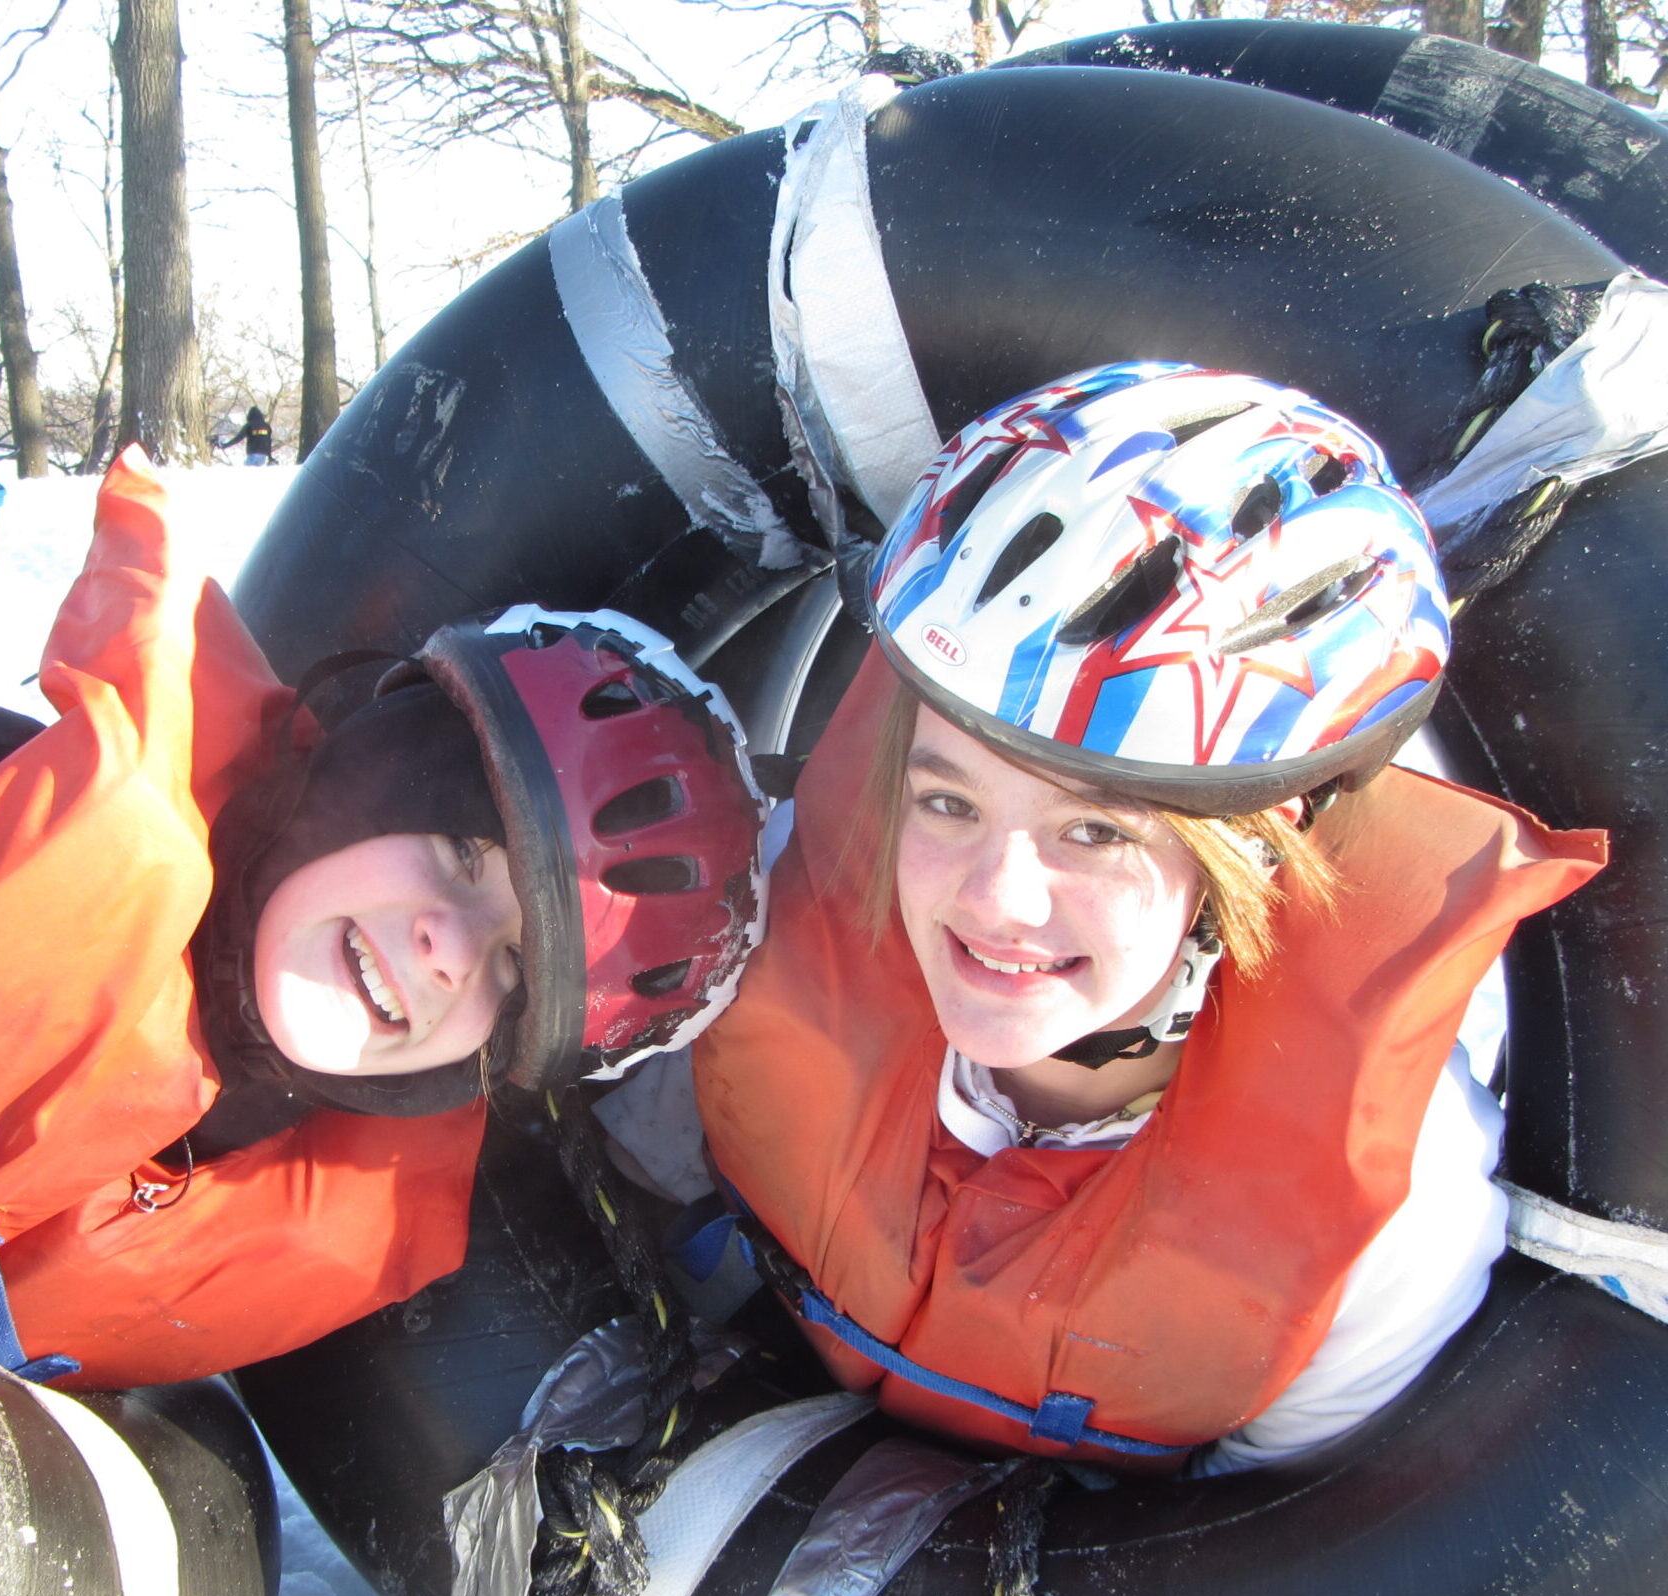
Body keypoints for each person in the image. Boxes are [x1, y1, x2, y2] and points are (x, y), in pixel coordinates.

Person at [687, 363, 1606, 1475]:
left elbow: (1289, 1566)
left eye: (1099, 833)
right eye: (947, 801)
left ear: (1245, 860)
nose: (994, 900)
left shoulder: (1390, 1224)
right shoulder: (765, 926)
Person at [0, 449, 766, 1390]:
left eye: (513, 970)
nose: (449, 949)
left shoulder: (322, 1219)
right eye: (464, 851)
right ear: (373, 763)